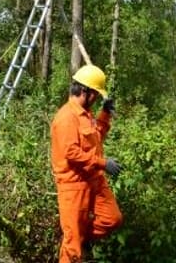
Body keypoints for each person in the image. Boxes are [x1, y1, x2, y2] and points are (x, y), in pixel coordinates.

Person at [50, 64, 123, 262]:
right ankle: (74, 238)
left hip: (94, 180)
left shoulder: (86, 114)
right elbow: (72, 153)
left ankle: (79, 235)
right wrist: (103, 163)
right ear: (85, 91)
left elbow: (96, 136)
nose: (97, 99)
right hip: (74, 185)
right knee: (72, 248)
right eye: (96, 95)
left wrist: (105, 113)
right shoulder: (66, 117)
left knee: (112, 218)